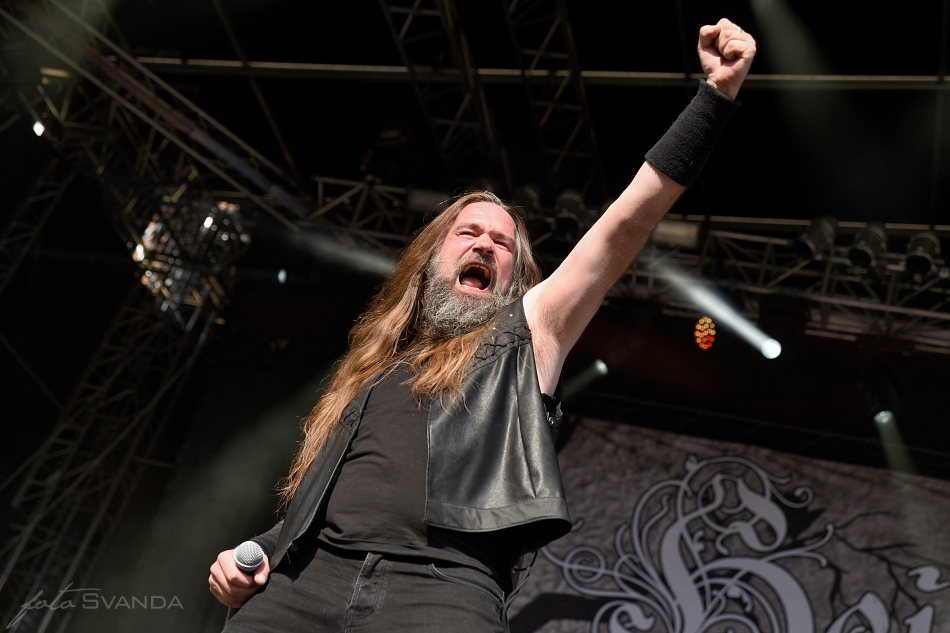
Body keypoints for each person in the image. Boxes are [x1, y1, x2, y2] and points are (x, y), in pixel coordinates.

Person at [209, 18, 756, 632]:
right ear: (430, 259)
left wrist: (714, 98)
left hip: (441, 591)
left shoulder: (526, 336)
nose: (485, 244)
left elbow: (626, 223)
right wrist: (257, 551)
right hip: (306, 582)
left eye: (503, 243)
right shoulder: (372, 365)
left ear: (514, 279)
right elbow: (338, 495)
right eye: (468, 232)